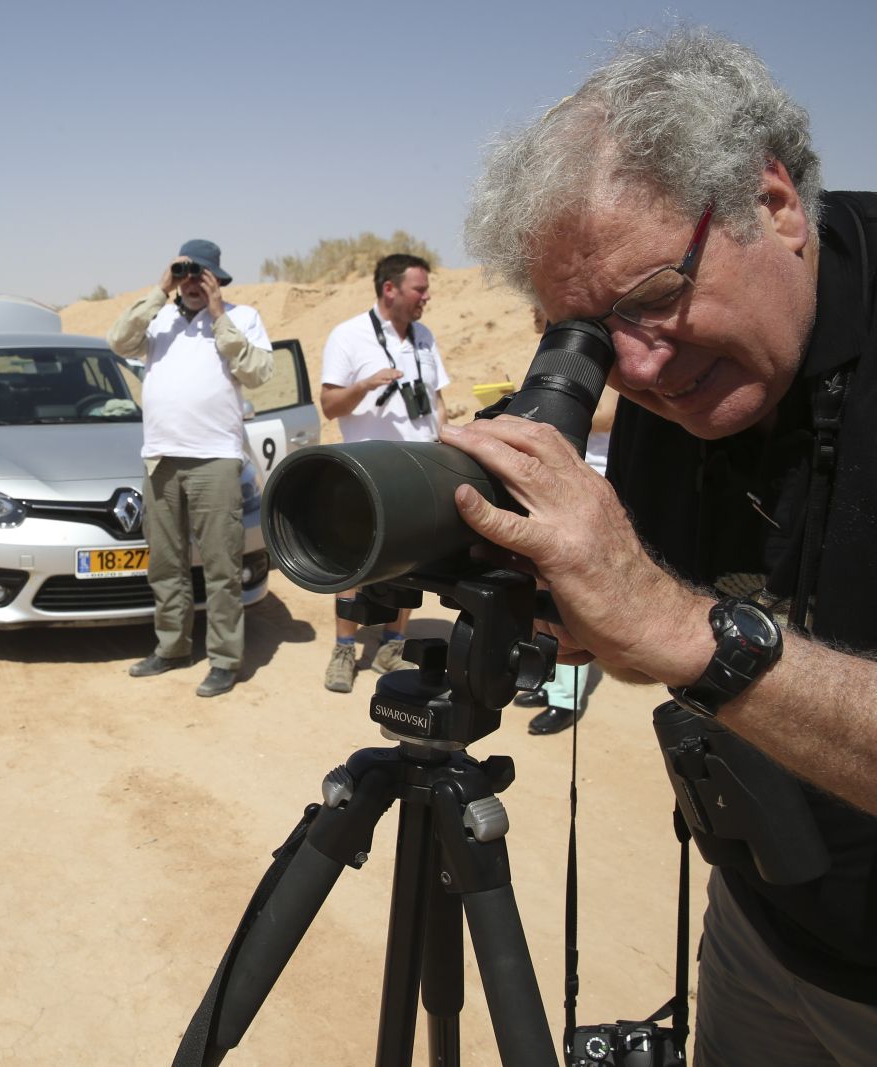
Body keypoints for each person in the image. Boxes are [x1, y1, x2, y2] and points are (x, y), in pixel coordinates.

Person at [456, 28, 877, 1061]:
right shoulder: (671, 372)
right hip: (762, 926)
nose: (636, 367)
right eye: (590, 334)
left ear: (774, 204)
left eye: (650, 299)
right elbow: (634, 609)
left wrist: (678, 627)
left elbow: (672, 618)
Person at [107, 240, 273, 698]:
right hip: (161, 457)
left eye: (206, 278)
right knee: (166, 563)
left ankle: (223, 659)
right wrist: (159, 290)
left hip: (216, 460)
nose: (196, 285)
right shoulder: (157, 318)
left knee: (221, 566)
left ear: (219, 280)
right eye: (188, 276)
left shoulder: (241, 318)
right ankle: (172, 647)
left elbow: (259, 372)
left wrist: (220, 316)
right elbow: (118, 340)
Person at [318, 254, 450, 693]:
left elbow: (436, 401)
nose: (427, 297)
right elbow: (329, 405)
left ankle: (393, 644)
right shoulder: (349, 336)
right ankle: (344, 650)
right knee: (353, 564)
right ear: (390, 289)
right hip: (365, 477)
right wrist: (363, 386)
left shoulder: (425, 337)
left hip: (418, 472)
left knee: (406, 562)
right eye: (419, 289)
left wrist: (446, 441)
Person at [512, 308, 614, 734]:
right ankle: (544, 678)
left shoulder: (598, 355)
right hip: (551, 485)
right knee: (536, 590)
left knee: (571, 599)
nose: (536, 311)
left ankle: (565, 699)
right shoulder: (554, 352)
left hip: (591, 484)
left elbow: (606, 414)